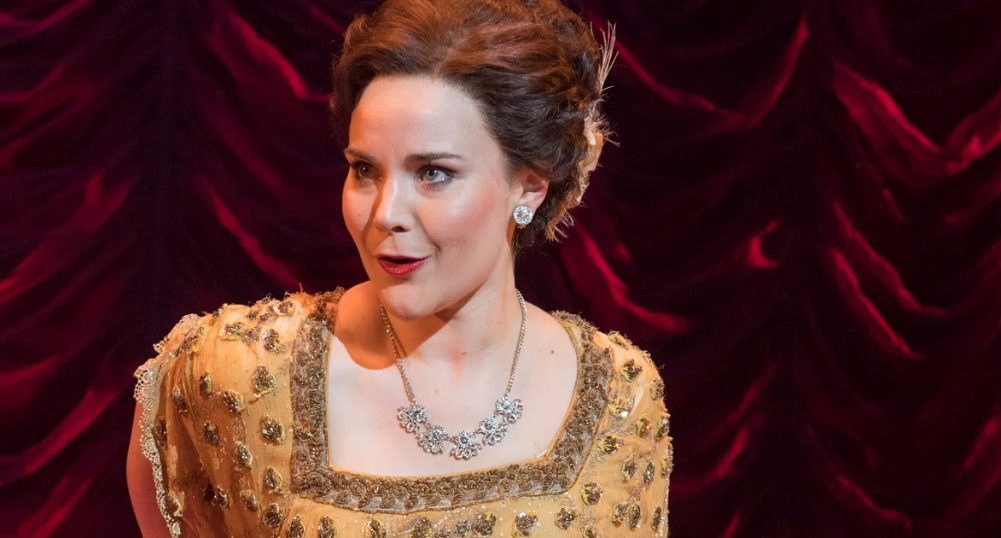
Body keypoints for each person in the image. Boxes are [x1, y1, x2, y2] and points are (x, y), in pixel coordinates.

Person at [126, 0, 673, 536]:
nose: (385, 213)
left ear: (528, 186)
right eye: (364, 170)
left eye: (433, 173)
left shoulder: (616, 396)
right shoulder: (234, 371)